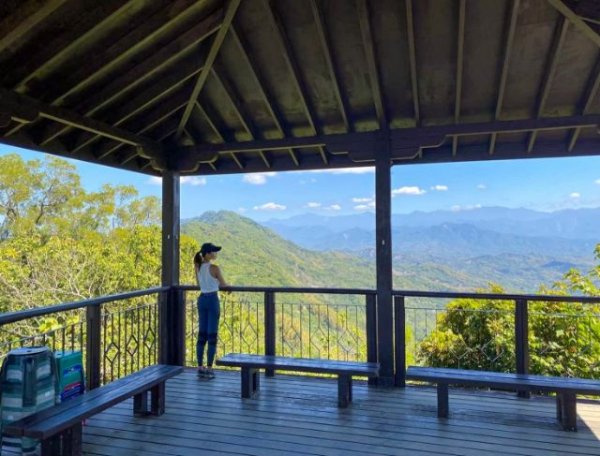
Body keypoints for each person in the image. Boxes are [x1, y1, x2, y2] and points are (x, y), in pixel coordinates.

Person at [194, 242, 229, 379]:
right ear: (208, 254)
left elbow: (199, 284)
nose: (216, 254)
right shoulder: (215, 268)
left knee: (202, 333)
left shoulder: (198, 267)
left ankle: (200, 366)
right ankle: (209, 368)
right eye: (214, 251)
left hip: (202, 299)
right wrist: (227, 287)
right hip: (213, 300)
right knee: (212, 334)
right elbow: (223, 284)